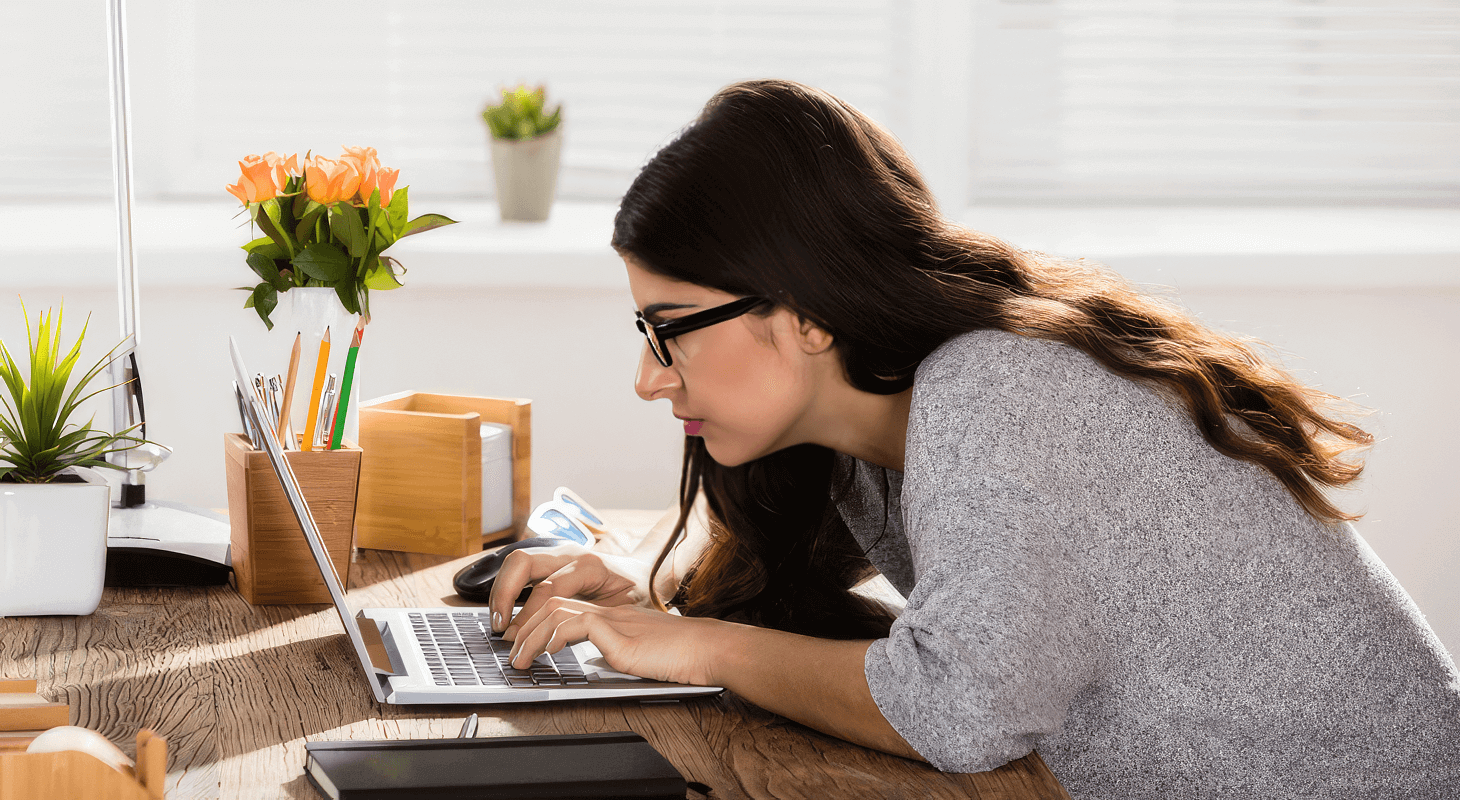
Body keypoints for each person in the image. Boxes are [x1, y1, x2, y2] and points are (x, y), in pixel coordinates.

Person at [487, 79, 1460, 798]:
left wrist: (694, 643)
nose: (648, 375)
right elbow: (943, 637)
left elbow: (956, 706)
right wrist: (644, 597)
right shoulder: (868, 433)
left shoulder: (992, 387)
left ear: (805, 313)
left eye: (671, 327)